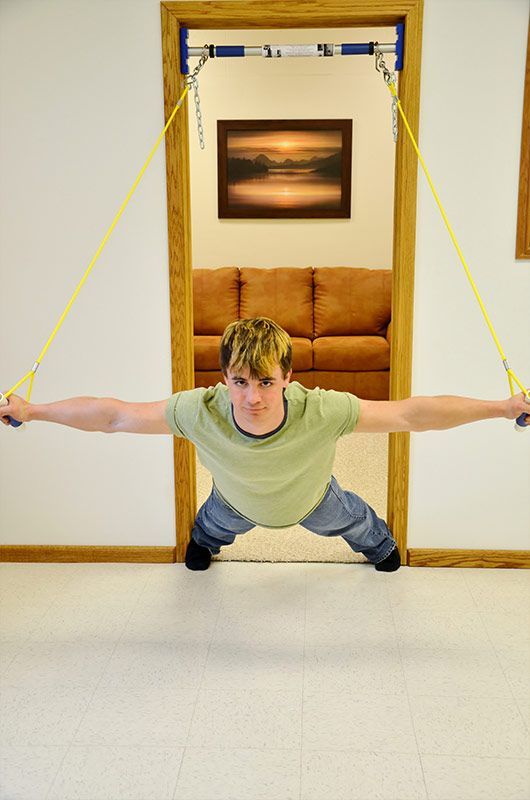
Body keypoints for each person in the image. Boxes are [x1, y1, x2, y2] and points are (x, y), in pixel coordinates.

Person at [2, 317, 528, 572]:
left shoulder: (320, 409)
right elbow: (115, 417)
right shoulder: (198, 410)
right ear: (224, 377)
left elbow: (413, 413)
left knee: (357, 523)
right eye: (239, 382)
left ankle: (381, 547)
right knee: (209, 526)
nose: (252, 398)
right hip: (234, 501)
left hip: (312, 499)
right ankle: (207, 541)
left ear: (288, 376)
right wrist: (33, 410)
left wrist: (503, 408)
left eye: (266, 382)